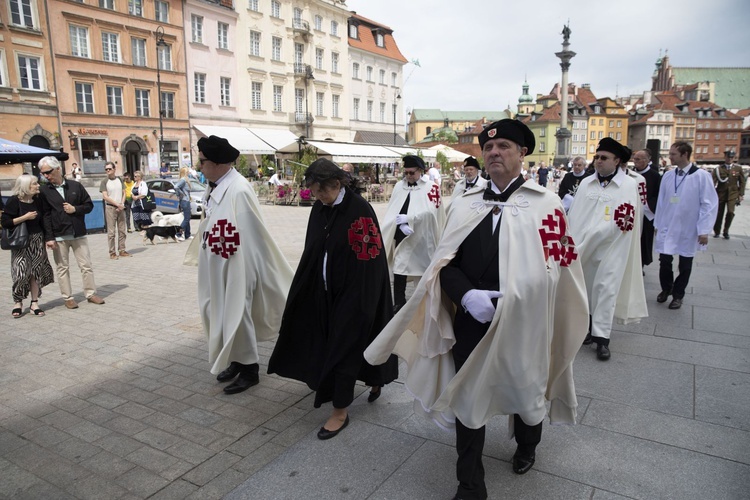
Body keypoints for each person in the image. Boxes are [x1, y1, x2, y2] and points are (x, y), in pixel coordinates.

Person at [365, 119, 588, 499]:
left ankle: (527, 444)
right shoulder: (466, 204)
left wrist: (515, 295)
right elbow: (442, 264)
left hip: (523, 323)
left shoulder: (545, 205)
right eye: (488, 148)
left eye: (503, 146)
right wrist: (467, 296)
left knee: (524, 389)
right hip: (470, 321)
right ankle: (470, 484)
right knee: (468, 397)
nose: (494, 152)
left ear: (522, 153)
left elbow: (558, 272)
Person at [268, 159, 399, 439]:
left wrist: (358, 299)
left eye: (320, 191)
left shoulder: (360, 210)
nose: (317, 197)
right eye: (313, 192)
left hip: (355, 294)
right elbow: (314, 249)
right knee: (341, 342)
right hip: (325, 292)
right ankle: (374, 379)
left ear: (337, 184)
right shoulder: (320, 208)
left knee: (345, 346)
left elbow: (369, 261)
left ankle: (340, 411)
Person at [196, 135, 293, 395]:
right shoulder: (215, 184)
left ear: (218, 163)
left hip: (238, 265)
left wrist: (242, 271)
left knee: (238, 313)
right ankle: (237, 361)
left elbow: (250, 234)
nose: (199, 166)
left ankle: (250, 369)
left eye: (202, 161)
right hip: (219, 262)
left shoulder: (239, 189)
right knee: (221, 312)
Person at [568, 138, 647, 360]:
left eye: (604, 158)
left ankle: (602, 339)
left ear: (617, 161)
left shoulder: (629, 185)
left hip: (612, 248)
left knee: (605, 288)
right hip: (584, 247)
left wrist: (597, 235)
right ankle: (588, 328)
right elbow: (576, 215)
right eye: (596, 157)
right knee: (585, 289)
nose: (598, 161)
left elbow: (625, 219)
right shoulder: (586, 183)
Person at [654, 142, 718, 310]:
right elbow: (661, 202)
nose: (670, 157)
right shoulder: (668, 176)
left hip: (688, 228)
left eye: (673, 154)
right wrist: (658, 224)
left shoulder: (701, 176)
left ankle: (678, 295)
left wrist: (704, 230)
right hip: (668, 225)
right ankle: (666, 288)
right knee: (664, 261)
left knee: (685, 264)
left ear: (684, 154)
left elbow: (709, 204)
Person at [37, 156, 105, 309]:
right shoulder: (44, 190)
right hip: (58, 235)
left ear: (58, 169)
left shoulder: (75, 186)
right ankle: (67, 297)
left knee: (86, 265)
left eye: (48, 172)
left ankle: (91, 293)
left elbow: (88, 205)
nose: (46, 176)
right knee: (62, 268)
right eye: (43, 174)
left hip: (78, 233)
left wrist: (76, 209)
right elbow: (45, 215)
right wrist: (49, 237)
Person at [381, 154, 445, 312]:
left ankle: (423, 304)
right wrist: (399, 223)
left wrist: (410, 218)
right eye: (406, 172)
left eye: (412, 173)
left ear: (420, 171)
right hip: (401, 233)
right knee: (399, 268)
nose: (408, 176)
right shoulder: (399, 186)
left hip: (422, 236)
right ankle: (399, 303)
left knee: (423, 270)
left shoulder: (432, 187)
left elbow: (432, 212)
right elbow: (392, 209)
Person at [1, 174, 55, 317]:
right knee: (20, 272)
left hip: (37, 240)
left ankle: (34, 303)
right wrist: (25, 217)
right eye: (34, 183)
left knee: (36, 272)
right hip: (20, 242)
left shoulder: (38, 200)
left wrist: (48, 238)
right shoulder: (14, 201)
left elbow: (44, 219)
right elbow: (5, 222)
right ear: (26, 186)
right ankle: (18, 302)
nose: (38, 186)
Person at [632, 149, 661, 268]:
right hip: (632, 212)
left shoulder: (654, 175)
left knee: (644, 240)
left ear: (647, 160)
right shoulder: (631, 174)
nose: (635, 162)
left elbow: (658, 194)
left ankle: (641, 264)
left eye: (638, 159)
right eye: (634, 159)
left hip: (647, 213)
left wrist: (647, 206)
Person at [99, 162, 130, 259]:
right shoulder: (104, 181)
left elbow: (124, 192)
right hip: (110, 207)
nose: (108, 171)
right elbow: (105, 196)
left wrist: (121, 204)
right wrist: (117, 204)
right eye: (106, 169)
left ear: (114, 169)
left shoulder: (119, 180)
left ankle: (122, 250)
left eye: (109, 169)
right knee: (111, 232)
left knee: (122, 230)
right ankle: (112, 252)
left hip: (120, 207)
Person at [712, 150, 746, 239]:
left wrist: (741, 194)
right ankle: (717, 231)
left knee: (730, 212)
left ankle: (726, 231)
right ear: (725, 157)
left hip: (733, 194)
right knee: (719, 213)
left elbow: (742, 182)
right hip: (720, 194)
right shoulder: (718, 169)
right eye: (728, 157)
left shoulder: (738, 168)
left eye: (732, 157)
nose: (730, 159)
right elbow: (712, 181)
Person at [173, 167, 192, 241]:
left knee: (187, 217)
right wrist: (181, 194)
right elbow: (176, 187)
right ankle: (178, 234)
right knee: (187, 218)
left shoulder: (185, 179)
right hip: (184, 201)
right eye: (187, 171)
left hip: (186, 200)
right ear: (184, 172)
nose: (189, 172)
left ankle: (187, 234)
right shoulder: (183, 180)